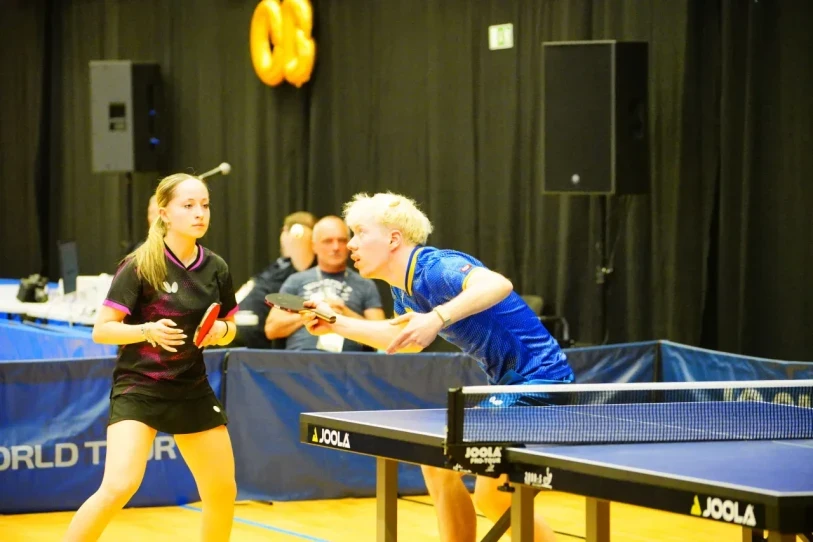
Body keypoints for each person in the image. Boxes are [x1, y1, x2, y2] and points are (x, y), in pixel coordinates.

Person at [300, 192, 574, 542]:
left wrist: (437, 316)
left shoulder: (435, 268)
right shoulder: (404, 290)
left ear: (394, 239)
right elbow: (403, 341)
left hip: (542, 383)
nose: (351, 244)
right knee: (454, 473)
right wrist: (335, 323)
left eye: (360, 233)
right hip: (511, 386)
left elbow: (498, 284)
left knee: (472, 483)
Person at [64, 173, 238, 542]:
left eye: (205, 205)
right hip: (140, 387)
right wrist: (147, 330)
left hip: (191, 387)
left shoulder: (216, 268)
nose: (200, 213)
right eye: (188, 205)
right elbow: (102, 330)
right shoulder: (140, 264)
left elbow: (230, 326)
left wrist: (221, 331)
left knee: (223, 491)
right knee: (119, 485)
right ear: (164, 213)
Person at [266, 215, 386, 352]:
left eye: (341, 241)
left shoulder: (365, 284)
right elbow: (271, 329)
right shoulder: (296, 280)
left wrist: (343, 314)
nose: (335, 247)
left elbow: (382, 337)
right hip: (302, 359)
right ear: (314, 246)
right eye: (328, 241)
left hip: (350, 362)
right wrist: (313, 312)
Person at [235, 211, 317, 349]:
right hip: (230, 328)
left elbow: (303, 257)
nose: (282, 237)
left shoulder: (301, 270)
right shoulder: (278, 267)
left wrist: (299, 232)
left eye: (286, 231)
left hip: (252, 340)